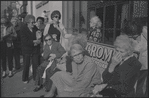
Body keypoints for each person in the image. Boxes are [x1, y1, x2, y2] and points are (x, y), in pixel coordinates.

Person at [122, 20, 148, 97]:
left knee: (142, 86)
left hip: (145, 65)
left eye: (134, 37)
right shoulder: (129, 37)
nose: (132, 39)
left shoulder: (144, 32)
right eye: (130, 37)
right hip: (136, 65)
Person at [20, 15, 41, 83]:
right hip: (26, 49)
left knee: (35, 64)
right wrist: (34, 41)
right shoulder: (23, 29)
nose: (34, 24)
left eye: (34, 22)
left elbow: (40, 37)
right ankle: (25, 78)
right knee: (26, 64)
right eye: (32, 22)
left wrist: (39, 38)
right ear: (27, 23)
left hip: (35, 49)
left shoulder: (35, 28)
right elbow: (24, 41)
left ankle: (35, 77)